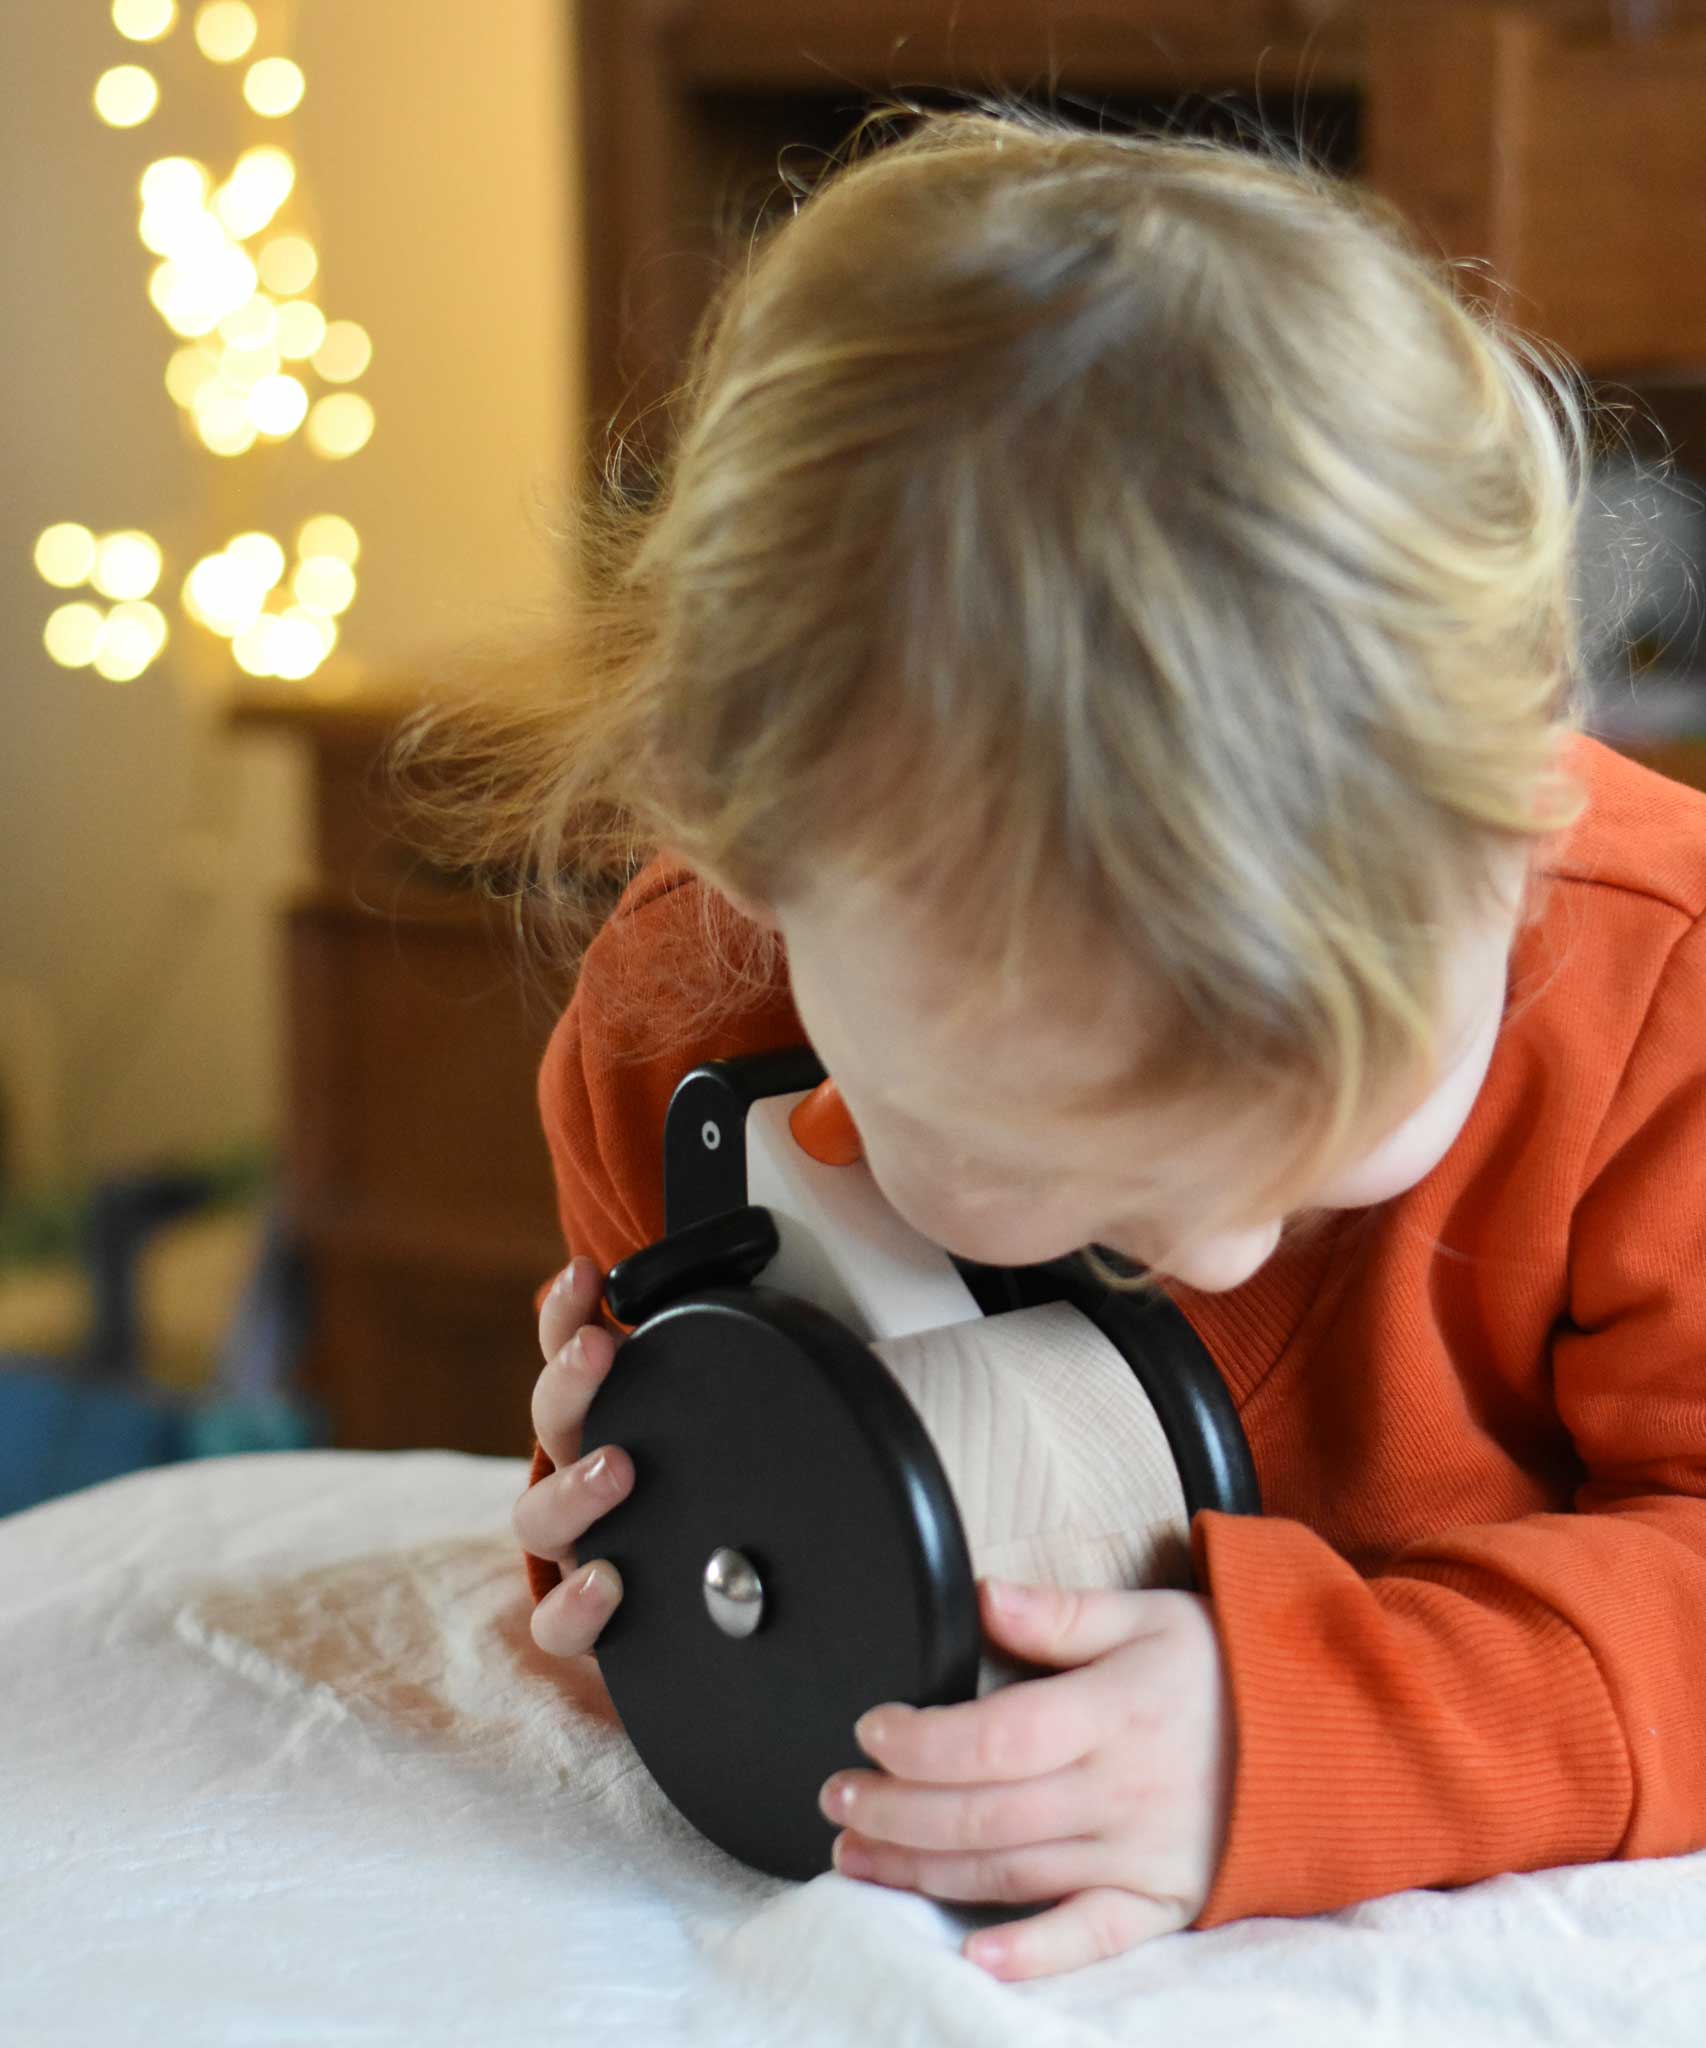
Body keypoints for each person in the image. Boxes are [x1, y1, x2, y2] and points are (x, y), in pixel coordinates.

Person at [398, 102, 1706, 1983]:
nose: (1232, 1266)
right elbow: (743, 1584)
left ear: (1519, 826)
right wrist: (631, 1537)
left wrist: (1312, 1728)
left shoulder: (1656, 1009)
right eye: (1078, 1195)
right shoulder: (691, 1021)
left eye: (1331, 1145)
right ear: (757, 855)